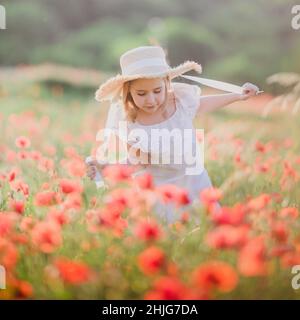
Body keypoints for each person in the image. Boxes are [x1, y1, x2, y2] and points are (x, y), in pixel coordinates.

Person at [86, 46, 259, 225]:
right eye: (141, 94)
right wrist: (106, 167)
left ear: (166, 83)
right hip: (159, 192)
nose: (151, 100)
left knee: (205, 227)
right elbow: (138, 162)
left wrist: (238, 95)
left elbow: (204, 104)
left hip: (194, 181)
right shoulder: (131, 122)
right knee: (171, 234)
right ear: (128, 92)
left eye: (157, 91)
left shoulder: (180, 102)